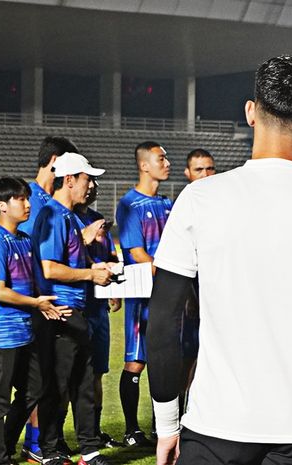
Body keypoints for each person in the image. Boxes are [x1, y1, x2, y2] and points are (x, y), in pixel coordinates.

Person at [147, 55, 292, 465]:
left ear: (251, 112)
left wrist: (167, 425)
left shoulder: (199, 200)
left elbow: (164, 322)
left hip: (216, 425)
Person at [0, 177, 71, 465]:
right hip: (1, 334)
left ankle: (5, 447)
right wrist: (36, 303)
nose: (27, 204)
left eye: (27, 198)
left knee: (33, 390)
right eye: (20, 199)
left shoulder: (24, 239)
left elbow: (33, 285)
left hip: (25, 331)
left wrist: (47, 305)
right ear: (2, 206)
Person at [31, 152, 114, 465]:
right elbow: (50, 268)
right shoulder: (52, 215)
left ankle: (88, 449)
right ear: (69, 180)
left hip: (76, 311)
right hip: (60, 313)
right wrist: (92, 274)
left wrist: (98, 265)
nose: (91, 185)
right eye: (86, 178)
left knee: (82, 382)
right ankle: (50, 451)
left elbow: (70, 260)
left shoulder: (66, 216)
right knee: (60, 384)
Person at [18, 136, 80, 463]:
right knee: (41, 379)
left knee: (56, 376)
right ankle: (35, 443)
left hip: (50, 302)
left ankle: (46, 440)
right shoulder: (32, 199)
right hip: (37, 304)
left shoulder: (48, 199)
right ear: (55, 161)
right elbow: (29, 254)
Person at [115, 141, 172, 447]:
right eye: (161, 158)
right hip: (142, 295)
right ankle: (131, 429)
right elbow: (136, 252)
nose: (167, 163)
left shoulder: (167, 205)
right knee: (136, 362)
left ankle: (160, 427)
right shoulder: (128, 204)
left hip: (167, 295)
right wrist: (171, 273)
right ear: (144, 165)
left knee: (164, 361)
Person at [74, 181, 123, 450]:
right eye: (87, 182)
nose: (92, 188)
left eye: (94, 184)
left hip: (98, 308)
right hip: (76, 306)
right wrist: (84, 237)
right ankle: (54, 438)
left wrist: (115, 283)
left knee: (97, 373)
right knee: (70, 375)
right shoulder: (64, 217)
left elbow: (109, 254)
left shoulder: (96, 219)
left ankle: (94, 431)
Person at [179, 149, 217, 412]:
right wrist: (190, 297)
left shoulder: (224, 204)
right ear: (188, 174)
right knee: (188, 358)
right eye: (199, 170)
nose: (205, 175)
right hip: (191, 300)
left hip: (219, 298)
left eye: (209, 169)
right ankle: (181, 415)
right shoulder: (183, 207)